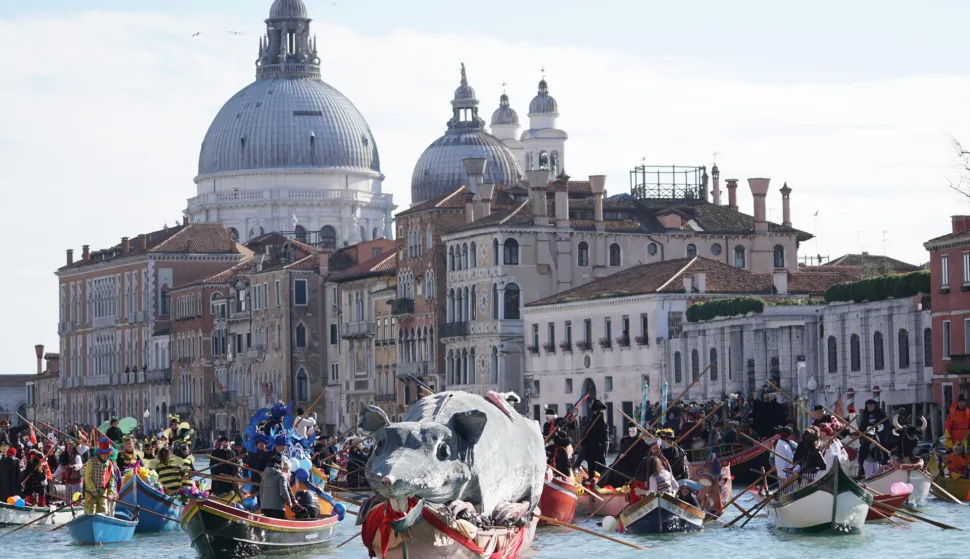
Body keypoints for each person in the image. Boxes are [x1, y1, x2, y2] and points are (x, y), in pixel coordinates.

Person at [599, 423, 645, 487]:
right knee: (610, 470)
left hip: (635, 466)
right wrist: (621, 455)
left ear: (637, 431)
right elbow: (621, 451)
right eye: (630, 431)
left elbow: (646, 452)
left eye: (633, 431)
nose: (631, 433)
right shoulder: (625, 440)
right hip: (624, 461)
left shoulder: (641, 441)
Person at [574, 400, 609, 484]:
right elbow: (588, 431)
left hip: (598, 446)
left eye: (596, 411)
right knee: (591, 462)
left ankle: (604, 478)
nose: (595, 412)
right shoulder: (593, 420)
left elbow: (603, 435)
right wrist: (584, 436)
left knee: (600, 462)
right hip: (591, 445)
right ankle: (591, 477)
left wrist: (601, 445)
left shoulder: (600, 421)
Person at [83, 438, 118, 514]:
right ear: (100, 453)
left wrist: (110, 492)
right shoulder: (91, 461)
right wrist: (93, 489)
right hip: (90, 492)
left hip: (103, 492)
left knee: (103, 512)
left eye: (109, 453)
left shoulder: (110, 464)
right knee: (90, 512)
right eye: (106, 453)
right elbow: (87, 477)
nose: (108, 455)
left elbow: (112, 479)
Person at [260, 455, 298, 519]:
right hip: (277, 507)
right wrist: (289, 503)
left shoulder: (264, 476)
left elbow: (261, 492)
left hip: (264, 507)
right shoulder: (281, 476)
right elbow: (283, 491)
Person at [857, 400, 887, 472]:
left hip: (879, 435)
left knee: (878, 449)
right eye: (868, 405)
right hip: (867, 435)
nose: (870, 407)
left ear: (874, 406)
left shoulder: (880, 414)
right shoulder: (865, 414)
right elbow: (862, 425)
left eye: (871, 405)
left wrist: (878, 428)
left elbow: (886, 424)